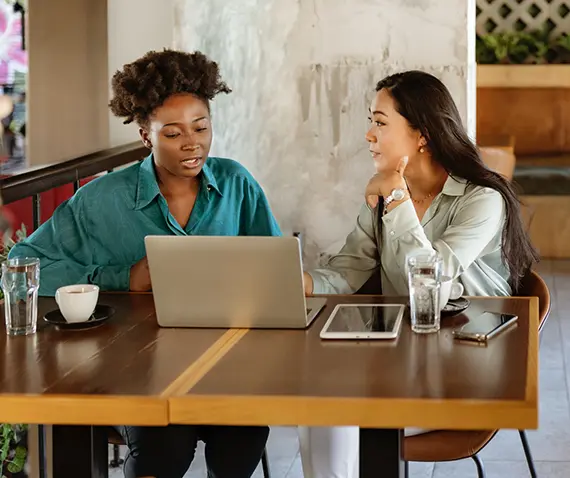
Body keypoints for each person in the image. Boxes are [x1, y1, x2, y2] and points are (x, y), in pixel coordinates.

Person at [10, 49, 280, 478]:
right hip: (132, 368)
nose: (192, 142)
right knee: (163, 441)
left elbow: (273, 266)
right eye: (172, 133)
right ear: (144, 136)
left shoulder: (236, 183)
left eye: (201, 127)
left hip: (222, 363)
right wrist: (123, 278)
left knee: (244, 433)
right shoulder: (102, 200)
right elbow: (23, 260)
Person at [300, 70, 539, 477]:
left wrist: (395, 199)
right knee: (321, 403)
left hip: (471, 367)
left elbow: (429, 284)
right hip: (405, 359)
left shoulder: (482, 200)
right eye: (370, 121)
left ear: (422, 134)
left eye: (380, 122)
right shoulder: (387, 193)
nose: (368, 135)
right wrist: (299, 283)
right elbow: (348, 270)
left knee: (338, 413)